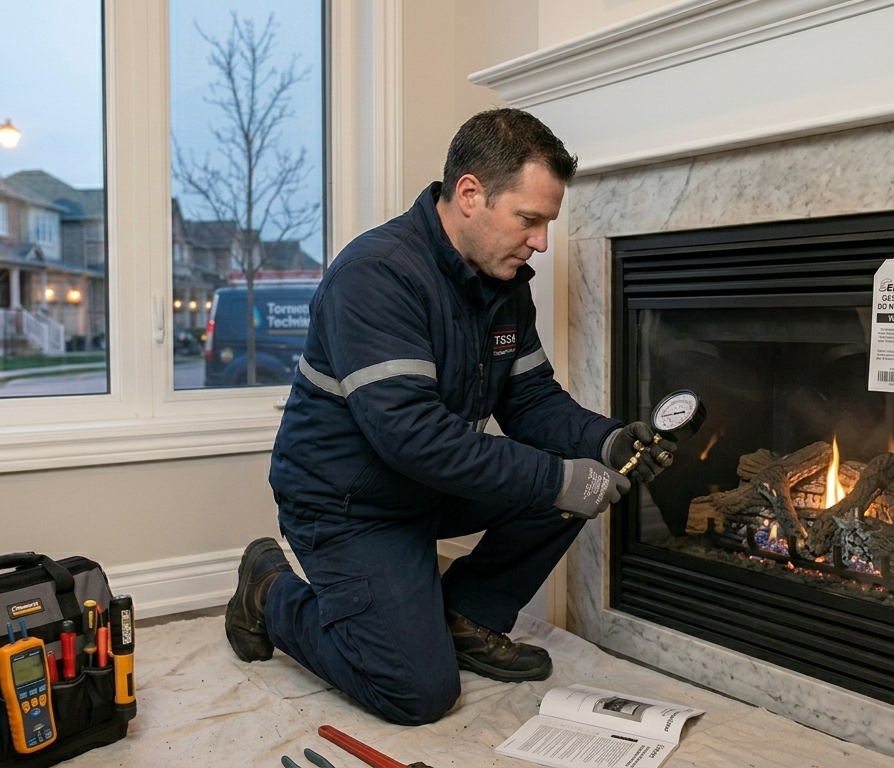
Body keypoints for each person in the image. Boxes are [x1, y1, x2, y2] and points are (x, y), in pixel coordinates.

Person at [225, 108, 677, 726]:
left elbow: (533, 401)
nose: (541, 241)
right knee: (417, 693)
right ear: (470, 195)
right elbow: (413, 437)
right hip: (349, 505)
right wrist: (557, 478)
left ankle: (466, 616)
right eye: (530, 219)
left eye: (547, 223)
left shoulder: (503, 283)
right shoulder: (377, 277)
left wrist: (607, 440)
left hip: (427, 487)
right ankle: (267, 591)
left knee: (576, 482)